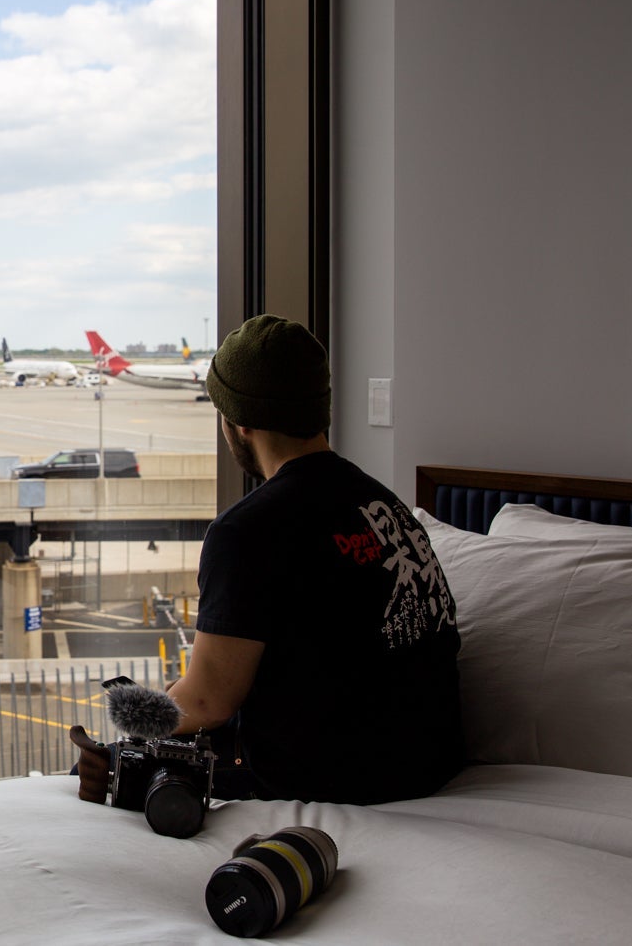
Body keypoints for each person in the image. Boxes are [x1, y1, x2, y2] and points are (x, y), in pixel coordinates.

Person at [158, 314, 462, 805]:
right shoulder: (387, 507)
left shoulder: (246, 531)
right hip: (429, 766)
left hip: (329, 779)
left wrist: (143, 715)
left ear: (238, 421)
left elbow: (207, 702)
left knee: (112, 762)